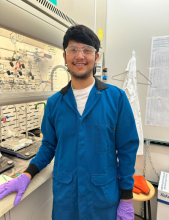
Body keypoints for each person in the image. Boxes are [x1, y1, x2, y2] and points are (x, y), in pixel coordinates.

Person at [0, 25, 139, 220]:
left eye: (87, 50)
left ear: (96, 57)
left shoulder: (116, 99)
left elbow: (126, 150)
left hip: (102, 200)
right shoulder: (55, 103)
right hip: (66, 202)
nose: (80, 56)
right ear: (64, 57)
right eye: (73, 50)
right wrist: (27, 174)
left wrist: (126, 199)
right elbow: (48, 145)